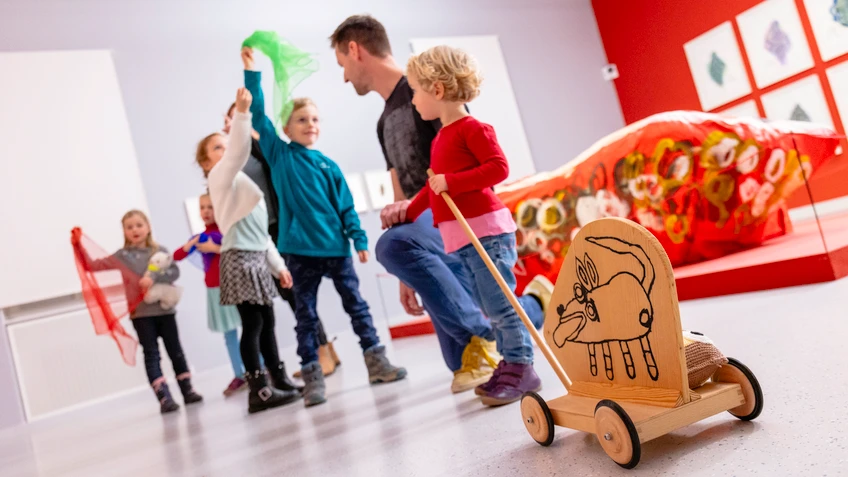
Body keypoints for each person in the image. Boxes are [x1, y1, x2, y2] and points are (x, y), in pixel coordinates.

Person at [329, 15, 554, 394]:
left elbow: (479, 164)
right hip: (439, 224)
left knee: (403, 250)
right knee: (466, 352)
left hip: (464, 219)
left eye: (342, 65)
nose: (345, 77)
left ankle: (513, 347)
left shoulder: (435, 104)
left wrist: (443, 194)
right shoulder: (386, 121)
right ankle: (528, 313)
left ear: (355, 50)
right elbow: (412, 190)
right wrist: (405, 266)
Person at [241, 47, 406, 407]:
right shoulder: (280, 154)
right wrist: (250, 70)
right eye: (302, 120)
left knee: (357, 308)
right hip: (299, 253)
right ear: (286, 129)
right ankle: (313, 377)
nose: (310, 125)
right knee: (306, 318)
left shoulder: (329, 166)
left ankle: (376, 362)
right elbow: (258, 115)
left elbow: (346, 207)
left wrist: (358, 239)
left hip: (336, 250)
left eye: (315, 119)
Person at [389, 45, 543, 406]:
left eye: (415, 91)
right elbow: (434, 184)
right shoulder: (441, 136)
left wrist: (452, 183)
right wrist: (410, 212)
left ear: (437, 91)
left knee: (500, 304)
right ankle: (509, 361)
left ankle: (523, 367)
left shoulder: (472, 128)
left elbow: (498, 169)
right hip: (463, 237)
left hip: (486, 231)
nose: (412, 100)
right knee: (487, 305)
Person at [200, 92, 302, 413]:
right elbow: (237, 152)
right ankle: (258, 389)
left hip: (255, 257)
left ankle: (278, 380)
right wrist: (242, 115)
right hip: (240, 259)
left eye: (224, 143)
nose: (225, 148)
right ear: (206, 163)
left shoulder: (242, 185)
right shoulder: (219, 178)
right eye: (217, 147)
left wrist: (277, 265)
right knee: (254, 325)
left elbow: (260, 231)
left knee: (267, 321)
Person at [223, 104, 340, 377]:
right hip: (256, 234)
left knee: (295, 294)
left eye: (236, 116)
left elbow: (273, 164)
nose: (229, 122)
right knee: (291, 295)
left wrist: (249, 134)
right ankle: (324, 348)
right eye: (229, 117)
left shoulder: (262, 146)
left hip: (279, 229)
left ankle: (322, 349)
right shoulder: (232, 155)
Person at [72, 211, 203, 414]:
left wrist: (155, 278)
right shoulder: (122, 256)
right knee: (151, 354)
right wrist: (78, 245)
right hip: (141, 315)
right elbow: (92, 266)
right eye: (130, 227)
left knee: (175, 350)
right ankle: (164, 398)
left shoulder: (160, 251)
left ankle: (187, 390)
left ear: (148, 227)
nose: (135, 230)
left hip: (164, 311)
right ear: (124, 231)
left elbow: (174, 272)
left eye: (139, 225)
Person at [173, 194, 249, 397]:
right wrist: (190, 246)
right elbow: (177, 256)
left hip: (234, 286)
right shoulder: (201, 237)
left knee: (250, 328)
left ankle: (259, 368)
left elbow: (239, 250)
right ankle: (239, 374)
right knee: (229, 334)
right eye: (202, 207)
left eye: (210, 207)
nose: (206, 211)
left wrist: (215, 249)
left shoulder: (226, 233)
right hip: (215, 290)